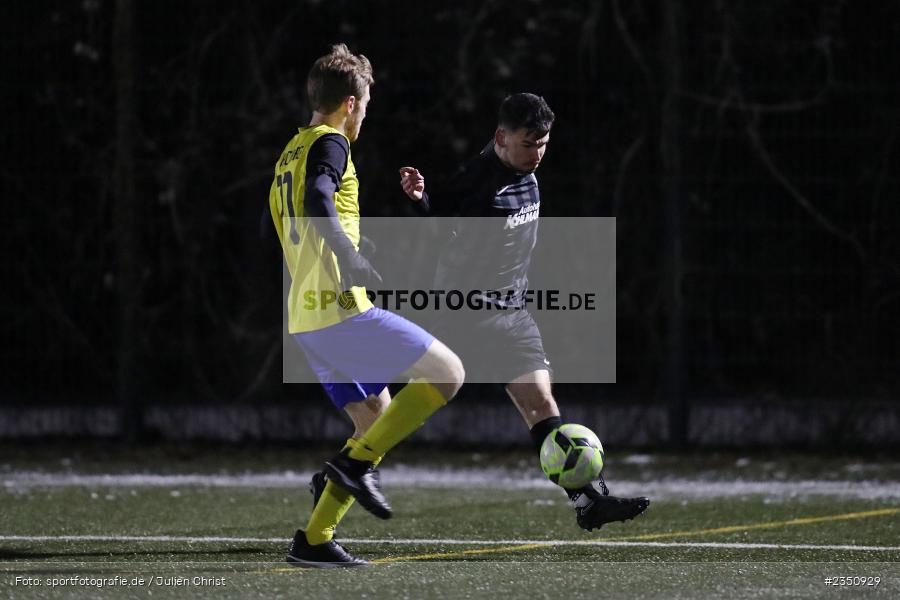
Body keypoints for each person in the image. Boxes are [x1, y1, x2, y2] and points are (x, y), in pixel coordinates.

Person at [397, 93, 649, 531]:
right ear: (501, 137)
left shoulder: (522, 169)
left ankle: (591, 499)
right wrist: (420, 198)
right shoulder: (480, 177)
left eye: (544, 144)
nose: (537, 154)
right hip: (465, 314)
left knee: (541, 404)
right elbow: (441, 215)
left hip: (511, 314)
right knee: (408, 407)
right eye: (528, 143)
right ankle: (348, 469)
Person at [268, 43, 464, 568]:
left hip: (305, 317)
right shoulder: (332, 143)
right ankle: (350, 469)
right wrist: (349, 261)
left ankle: (312, 540)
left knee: (374, 420)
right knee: (448, 373)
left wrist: (352, 247)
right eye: (367, 101)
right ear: (351, 102)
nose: (366, 112)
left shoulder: (291, 150)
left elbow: (307, 220)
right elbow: (318, 202)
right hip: (339, 308)